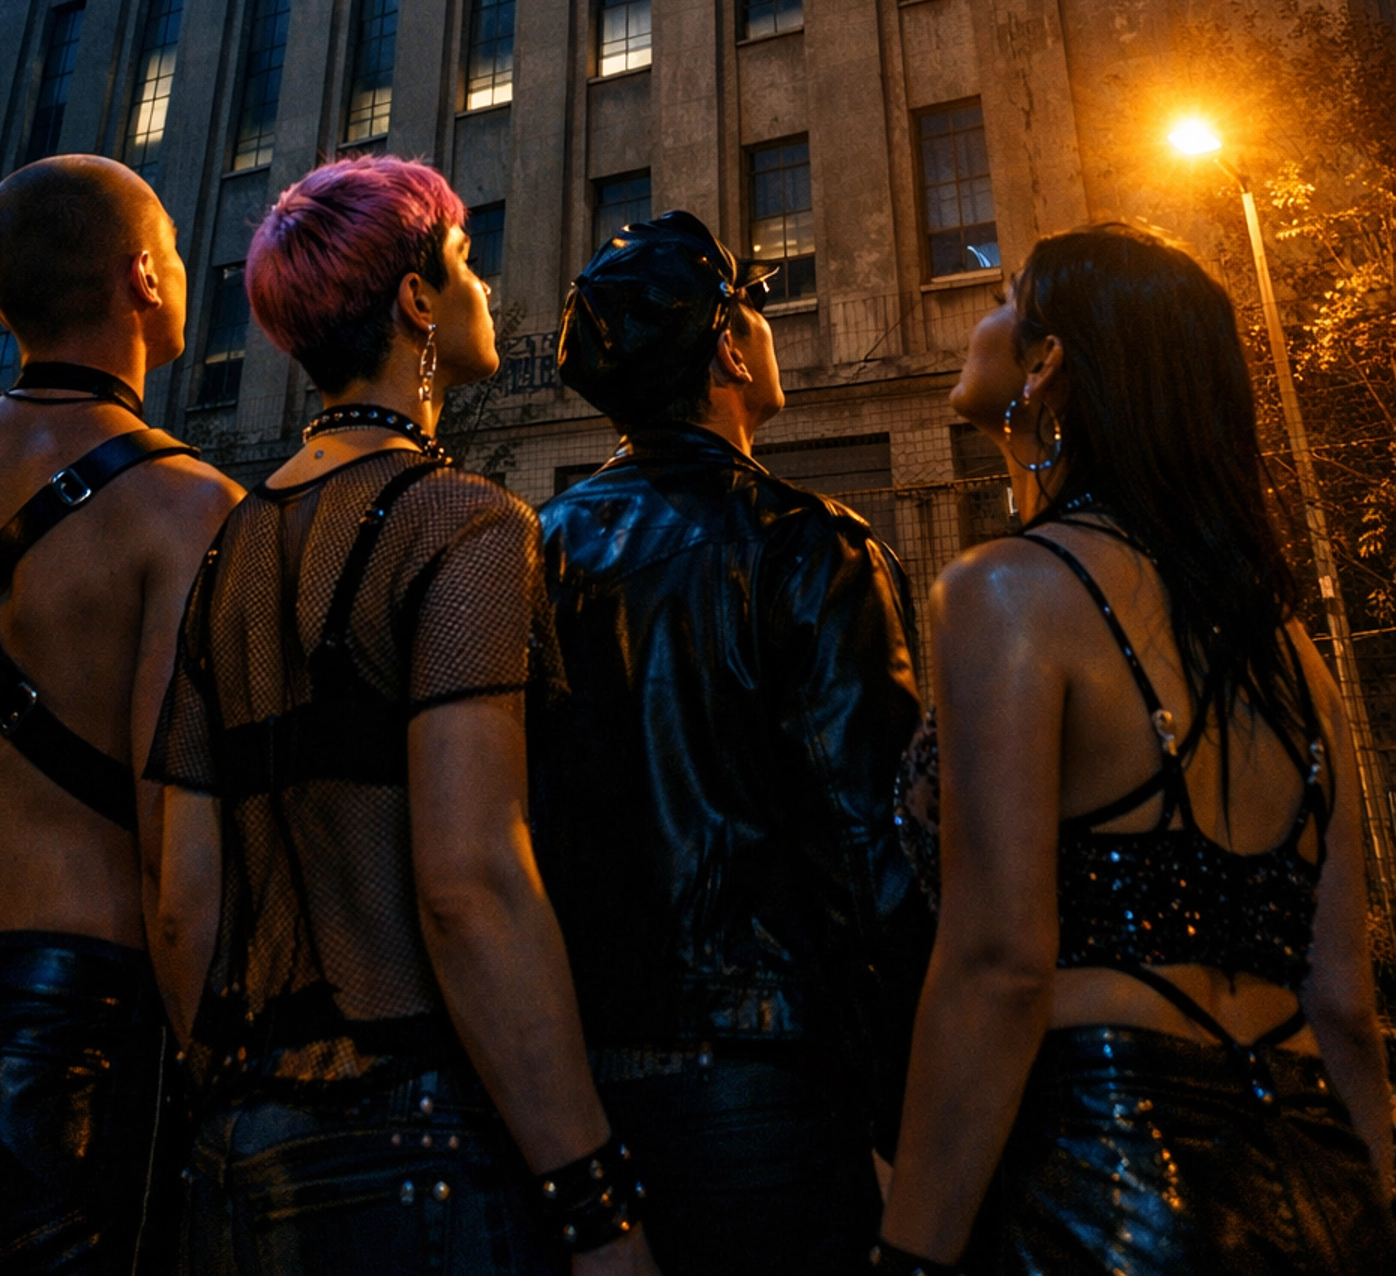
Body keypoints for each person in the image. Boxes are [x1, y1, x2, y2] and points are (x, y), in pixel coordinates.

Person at [146, 154, 658, 1276]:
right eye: (466, 262)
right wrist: (595, 1202)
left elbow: (181, 904)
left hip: (234, 1151)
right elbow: (471, 886)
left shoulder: (226, 551)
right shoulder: (463, 523)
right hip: (416, 1143)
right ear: (418, 301)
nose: (484, 287)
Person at [882, 221, 1396, 1276]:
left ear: (1047, 361)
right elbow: (1344, 1001)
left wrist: (910, 1255)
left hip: (1105, 1179)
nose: (982, 314)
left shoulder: (1004, 592)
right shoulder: (1288, 650)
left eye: (1005, 296)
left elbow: (998, 967)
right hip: (1319, 1177)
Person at [531, 209, 931, 1276]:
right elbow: (872, 852)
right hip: (770, 1085)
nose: (766, 324)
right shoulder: (809, 548)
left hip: (573, 1100)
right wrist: (913, 1116)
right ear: (728, 353)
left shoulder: (538, 553)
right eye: (752, 307)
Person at [0, 154, 241, 1273]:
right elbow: (180, 865)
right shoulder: (187, 510)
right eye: (175, 248)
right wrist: (216, 1086)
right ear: (143, 278)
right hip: (61, 1037)